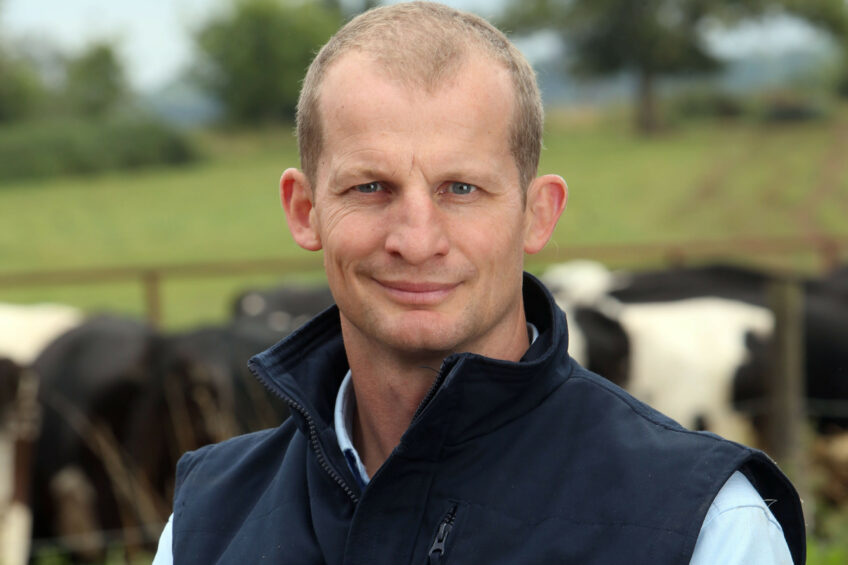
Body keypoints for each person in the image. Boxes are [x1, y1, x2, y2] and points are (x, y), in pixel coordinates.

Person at [153, 2, 805, 563]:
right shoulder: (206, 524)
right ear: (304, 210)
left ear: (538, 213)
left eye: (461, 188)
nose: (416, 237)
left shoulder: (705, 526)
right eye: (370, 187)